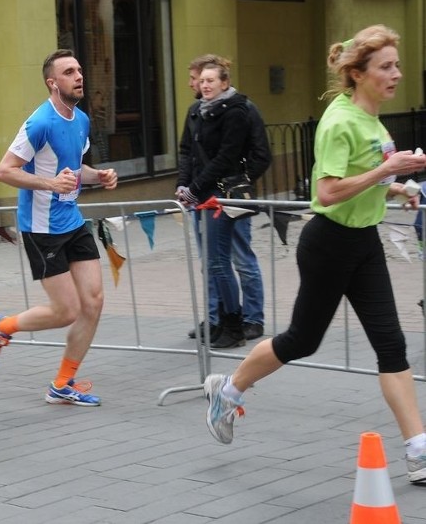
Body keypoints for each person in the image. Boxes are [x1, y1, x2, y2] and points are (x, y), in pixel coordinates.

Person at [202, 24, 426, 484]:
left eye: (396, 65)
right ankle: (228, 388)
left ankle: (418, 448)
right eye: (386, 66)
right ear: (358, 73)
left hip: (364, 243)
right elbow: (326, 193)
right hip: (328, 244)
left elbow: (367, 180)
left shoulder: (375, 121)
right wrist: (388, 168)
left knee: (391, 344)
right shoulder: (339, 120)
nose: (396, 74)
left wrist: (397, 186)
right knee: (302, 341)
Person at [0, 49, 118, 405]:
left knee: (94, 302)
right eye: (69, 72)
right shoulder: (39, 123)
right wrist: (49, 185)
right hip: (41, 229)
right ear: (52, 82)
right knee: (66, 311)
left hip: (72, 222)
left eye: (79, 70)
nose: (79, 76)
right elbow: (4, 171)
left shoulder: (82, 119)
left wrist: (98, 176)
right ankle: (1, 328)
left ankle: (62, 383)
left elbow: (75, 170)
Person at [179, 55, 270, 345]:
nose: (198, 85)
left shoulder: (240, 109)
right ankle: (218, 319)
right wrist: (185, 185)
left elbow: (251, 155)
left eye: (205, 80)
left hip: (226, 196)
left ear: (223, 81)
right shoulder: (196, 111)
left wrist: (239, 183)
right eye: (198, 80)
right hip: (200, 194)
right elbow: (187, 152)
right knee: (213, 261)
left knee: (239, 258)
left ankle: (249, 319)